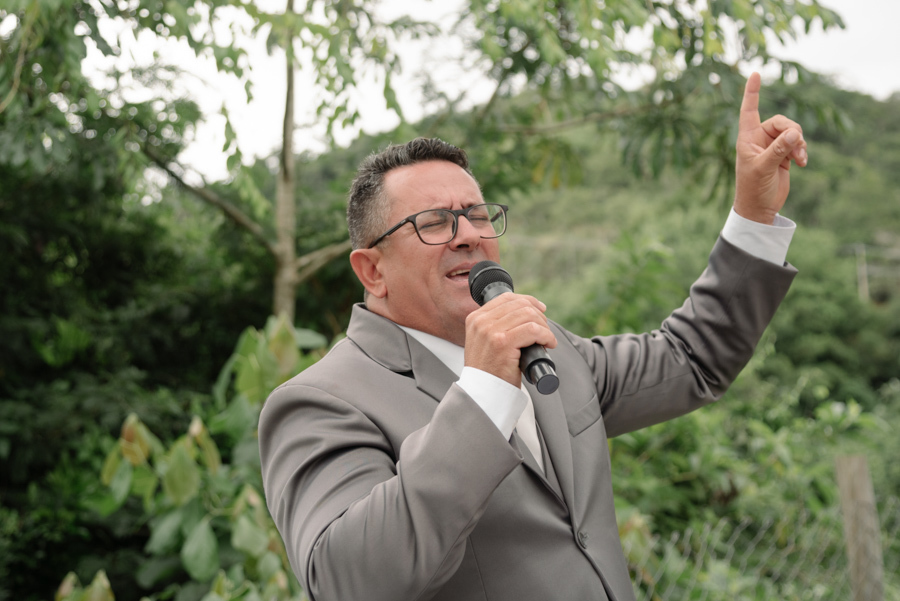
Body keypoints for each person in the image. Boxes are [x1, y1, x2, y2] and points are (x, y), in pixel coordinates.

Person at [258, 72, 806, 601]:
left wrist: (755, 214)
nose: (469, 236)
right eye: (434, 223)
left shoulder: (549, 350)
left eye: (476, 215)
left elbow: (690, 359)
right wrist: (483, 392)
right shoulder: (320, 402)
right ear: (372, 271)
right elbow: (349, 580)